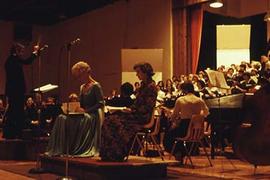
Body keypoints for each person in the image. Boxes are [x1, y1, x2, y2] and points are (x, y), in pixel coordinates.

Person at [100, 62, 157, 161]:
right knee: (108, 120)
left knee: (113, 122)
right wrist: (130, 109)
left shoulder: (151, 87)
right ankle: (111, 153)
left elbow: (148, 106)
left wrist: (132, 110)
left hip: (142, 117)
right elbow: (137, 103)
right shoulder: (143, 86)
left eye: (138, 72)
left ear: (145, 72)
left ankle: (116, 153)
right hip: (135, 114)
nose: (136, 74)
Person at [46, 61, 105, 157]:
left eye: (79, 76)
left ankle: (75, 148)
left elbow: (100, 103)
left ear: (85, 73)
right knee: (61, 118)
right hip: (83, 113)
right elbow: (80, 103)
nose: (78, 79)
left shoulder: (96, 86)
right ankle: (63, 148)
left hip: (92, 115)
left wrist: (86, 111)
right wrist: (73, 108)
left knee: (82, 120)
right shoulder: (82, 87)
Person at [163, 81, 209, 163]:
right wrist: (197, 117)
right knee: (177, 134)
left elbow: (174, 116)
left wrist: (172, 119)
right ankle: (181, 153)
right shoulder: (200, 100)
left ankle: (177, 153)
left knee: (169, 135)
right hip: (197, 131)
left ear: (185, 90)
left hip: (185, 128)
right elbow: (206, 113)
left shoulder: (181, 100)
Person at [3, 40, 39, 139]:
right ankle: (14, 132)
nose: (22, 54)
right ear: (16, 51)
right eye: (21, 51)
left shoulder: (10, 60)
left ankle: (12, 132)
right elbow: (26, 61)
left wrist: (35, 53)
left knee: (14, 111)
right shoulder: (13, 60)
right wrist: (35, 53)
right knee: (16, 111)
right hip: (16, 91)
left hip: (13, 91)